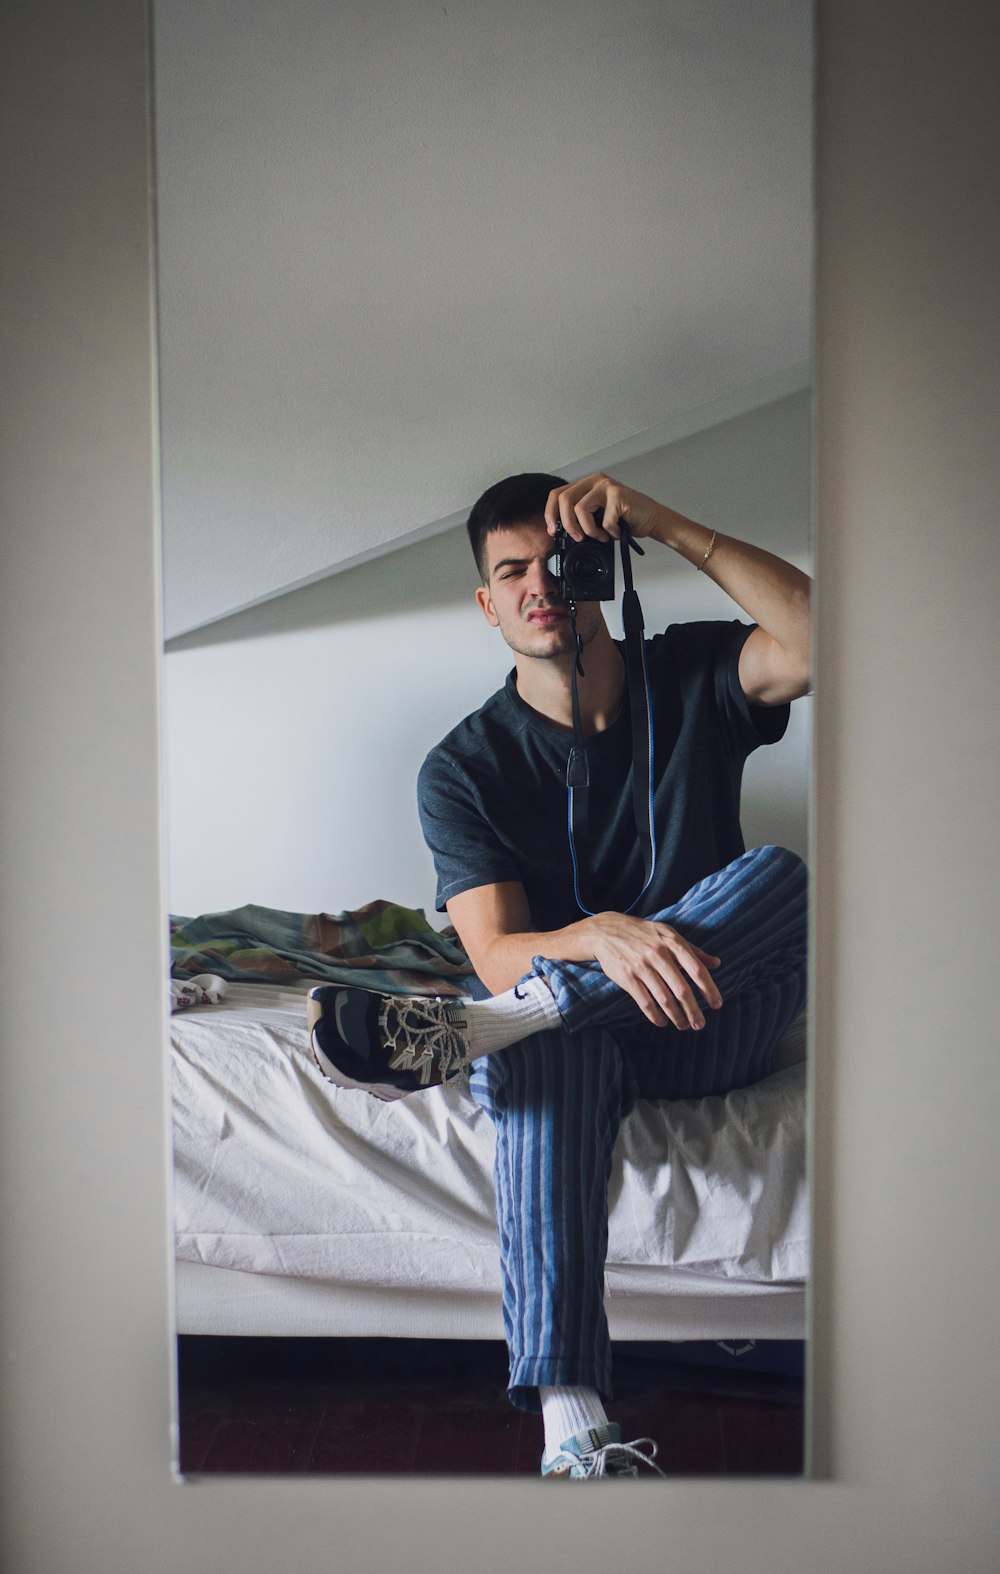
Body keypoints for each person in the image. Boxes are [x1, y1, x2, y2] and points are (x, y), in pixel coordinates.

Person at [308, 470, 811, 1479]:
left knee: (780, 879)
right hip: (579, 1038)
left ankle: (493, 1028)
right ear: (487, 604)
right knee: (548, 1055)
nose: (540, 584)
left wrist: (665, 520)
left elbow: (826, 639)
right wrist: (601, 934)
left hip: (715, 1012)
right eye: (512, 572)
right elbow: (493, 951)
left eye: (560, 561)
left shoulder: (693, 671)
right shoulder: (463, 766)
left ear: (600, 565)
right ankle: (573, 1428)